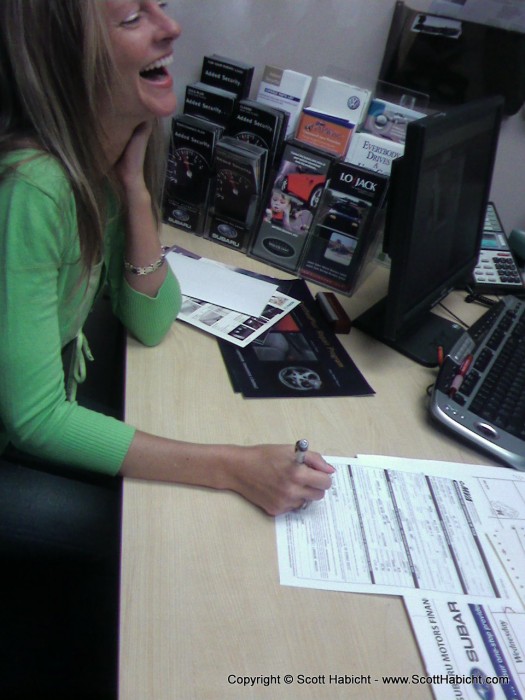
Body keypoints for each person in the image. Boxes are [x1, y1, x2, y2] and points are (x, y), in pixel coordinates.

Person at [0, 0, 335, 518]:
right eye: (133, 19)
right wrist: (232, 466)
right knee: (154, 523)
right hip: (17, 439)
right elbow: (36, 421)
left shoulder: (100, 162)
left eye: (161, 5)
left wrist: (133, 190)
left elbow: (151, 320)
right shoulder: (34, 189)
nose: (172, 28)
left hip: (36, 417)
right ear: (69, 58)